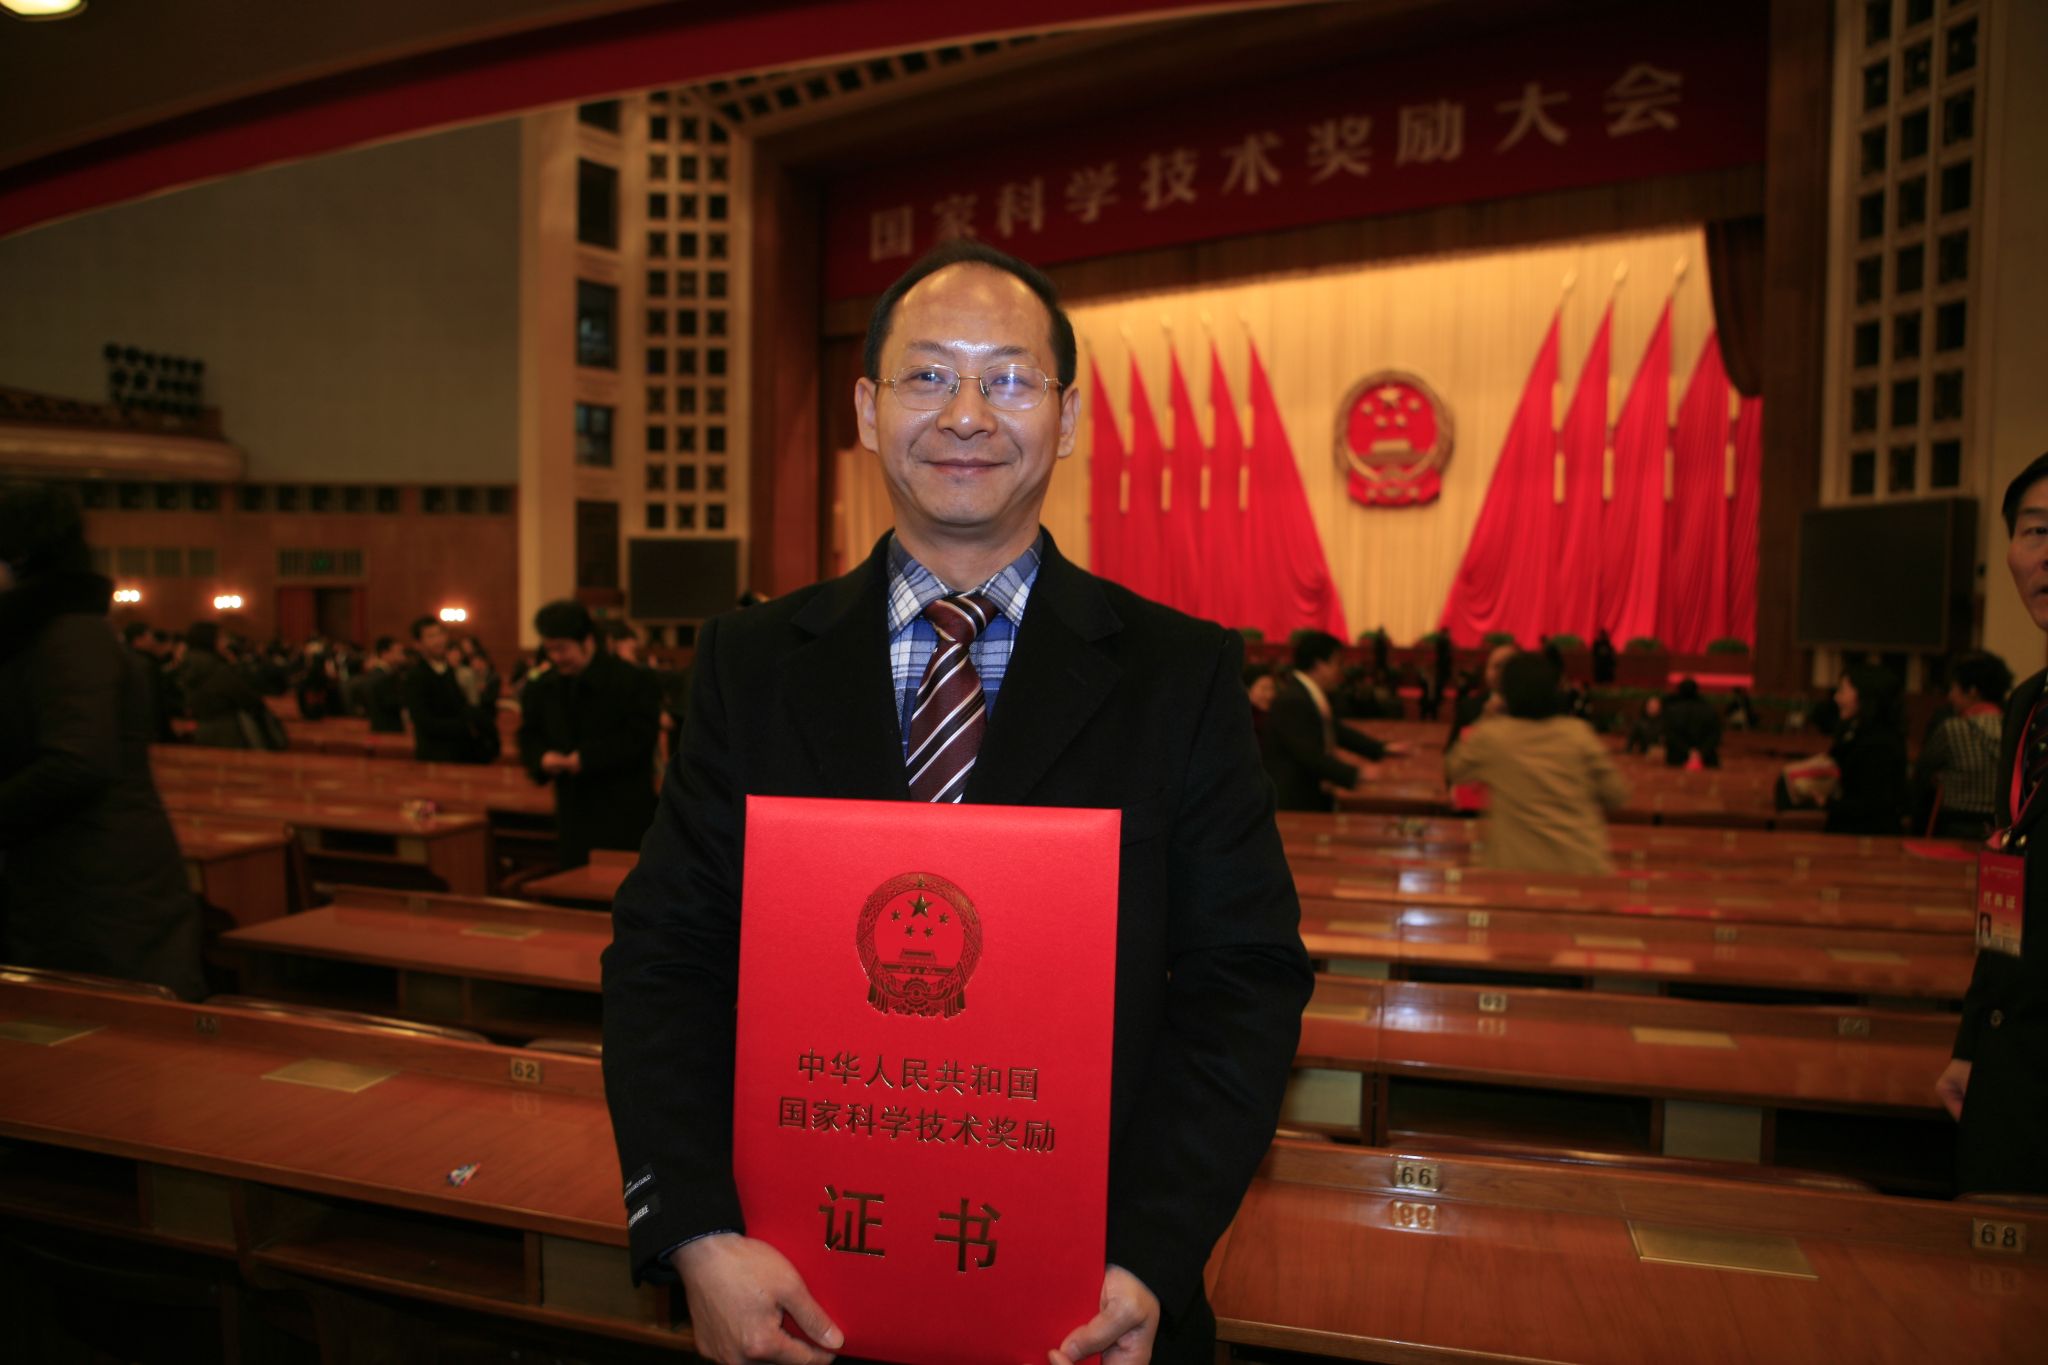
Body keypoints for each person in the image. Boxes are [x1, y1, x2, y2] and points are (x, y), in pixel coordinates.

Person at [602, 241, 1310, 1365]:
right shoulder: (751, 663)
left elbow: (1243, 980)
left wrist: (1149, 1258)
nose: (966, 414)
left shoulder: (1179, 674)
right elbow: (664, 956)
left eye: (1009, 379)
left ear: (1066, 419)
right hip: (794, 1294)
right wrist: (694, 1233)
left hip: (1088, 1307)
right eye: (928, 375)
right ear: (867, 410)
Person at [0, 483, 205, 999]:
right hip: (67, 877)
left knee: (109, 1028)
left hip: (98, 884)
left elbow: (79, 762)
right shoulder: (47, 632)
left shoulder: (69, 635)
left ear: (18, 557)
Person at [1937, 451, 2048, 1197]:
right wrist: (1972, 1042)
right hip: (2012, 1071)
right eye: (2036, 530)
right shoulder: (2027, 706)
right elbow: (2006, 889)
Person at [1444, 652, 1627, 874]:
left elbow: (1455, 769)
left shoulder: (1493, 737)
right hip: (1581, 865)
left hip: (1515, 868)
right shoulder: (1578, 734)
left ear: (1507, 693)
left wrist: (1487, 718)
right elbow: (1616, 795)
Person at [517, 600, 663, 868]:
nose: (556, 657)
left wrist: (586, 758)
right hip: (572, 809)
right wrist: (542, 757)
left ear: (586, 641)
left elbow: (639, 737)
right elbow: (529, 734)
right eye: (550, 650)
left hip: (622, 806)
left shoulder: (632, 680)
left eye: (562, 649)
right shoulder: (544, 687)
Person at [1260, 630, 1401, 812]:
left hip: (1310, 792)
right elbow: (1309, 755)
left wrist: (1381, 749)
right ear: (1319, 665)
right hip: (1294, 799)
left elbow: (1335, 730)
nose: (1341, 670)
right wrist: (1356, 774)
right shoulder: (1293, 700)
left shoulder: (1306, 694)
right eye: (1337, 663)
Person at [1914, 650, 2012, 840]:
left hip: (1956, 825)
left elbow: (1924, 770)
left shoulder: (1953, 729)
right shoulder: (2012, 728)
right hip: (2001, 828)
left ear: (1972, 691)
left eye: (1954, 688)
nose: (1950, 696)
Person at [1825, 664, 1909, 835]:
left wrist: (1825, 802)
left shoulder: (1880, 743)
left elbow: (1874, 805)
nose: (1836, 698)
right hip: (1853, 832)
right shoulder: (1856, 730)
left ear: (1864, 695)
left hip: (1869, 838)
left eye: (1842, 691)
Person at [401, 616, 498, 762]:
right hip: (435, 754)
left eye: (440, 634)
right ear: (418, 644)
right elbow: (424, 722)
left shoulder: (447, 670)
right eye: (431, 636)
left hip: (459, 751)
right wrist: (464, 726)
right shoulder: (416, 676)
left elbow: (458, 705)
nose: (439, 640)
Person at [178, 621, 273, 748]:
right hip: (226, 732)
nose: (226, 643)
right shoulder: (215, 668)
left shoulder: (188, 663)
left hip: (201, 729)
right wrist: (235, 665)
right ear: (210, 641)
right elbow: (248, 698)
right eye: (221, 638)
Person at [1446, 642, 1515, 749]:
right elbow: (1452, 750)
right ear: (1486, 670)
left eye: (1508, 667)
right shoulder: (1469, 706)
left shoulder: (1530, 709)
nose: (1501, 673)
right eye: (1497, 666)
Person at [351, 635, 410, 733]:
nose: (402, 655)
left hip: (382, 728)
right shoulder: (382, 676)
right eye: (398, 652)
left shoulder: (383, 673)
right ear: (385, 653)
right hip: (387, 730)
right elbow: (389, 704)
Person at [1660, 678, 1723, 768]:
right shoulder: (1709, 709)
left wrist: (1689, 751)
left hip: (1677, 759)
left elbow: (1669, 735)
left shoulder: (1672, 710)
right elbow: (1715, 734)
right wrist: (1701, 752)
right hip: (1707, 758)